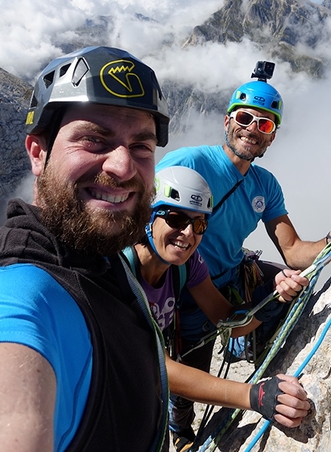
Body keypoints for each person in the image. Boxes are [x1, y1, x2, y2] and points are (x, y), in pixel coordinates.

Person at [0, 46, 172, 452]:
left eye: (142, 146)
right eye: (93, 140)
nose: (123, 166)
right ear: (38, 153)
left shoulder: (97, 253)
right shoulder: (21, 294)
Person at [157, 61, 331, 448]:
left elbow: (293, 250)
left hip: (231, 273)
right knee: (192, 363)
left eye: (264, 125)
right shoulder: (190, 163)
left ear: (272, 137)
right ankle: (180, 429)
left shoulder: (265, 184)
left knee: (292, 295)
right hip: (189, 284)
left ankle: (266, 364)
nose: (252, 130)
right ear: (228, 121)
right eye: (245, 118)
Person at [123, 165, 311, 452]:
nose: (187, 234)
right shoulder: (120, 272)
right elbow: (161, 367)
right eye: (175, 218)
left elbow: (226, 319)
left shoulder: (188, 263)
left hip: (144, 394)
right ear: (148, 217)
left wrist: (273, 299)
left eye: (199, 224)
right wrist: (253, 396)